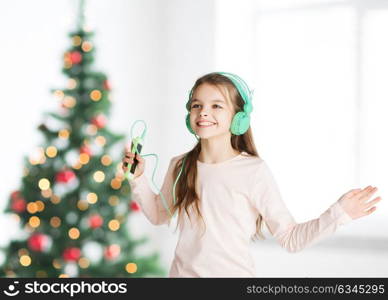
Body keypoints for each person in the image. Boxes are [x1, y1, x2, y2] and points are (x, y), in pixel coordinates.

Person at [122, 72, 382, 277]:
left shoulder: (253, 171)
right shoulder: (179, 166)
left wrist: (339, 213)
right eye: (196, 105)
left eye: (216, 106)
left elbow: (290, 238)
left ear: (239, 118)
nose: (203, 112)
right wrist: (138, 177)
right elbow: (158, 215)